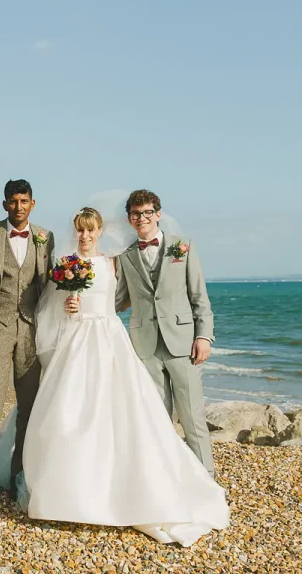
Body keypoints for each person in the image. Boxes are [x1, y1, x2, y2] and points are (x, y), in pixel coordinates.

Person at [0, 208, 229, 546]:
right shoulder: (65, 263)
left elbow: (123, 299)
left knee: (124, 410)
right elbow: (52, 308)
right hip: (78, 340)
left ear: (101, 231)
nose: (86, 236)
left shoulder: (113, 262)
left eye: (91, 231)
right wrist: (69, 307)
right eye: (81, 231)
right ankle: (70, 494)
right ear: (76, 231)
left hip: (110, 338)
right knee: (70, 413)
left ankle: (137, 484)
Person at [114, 189, 216, 476]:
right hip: (145, 346)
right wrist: (87, 308)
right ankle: (169, 481)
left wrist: (204, 336)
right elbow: (120, 299)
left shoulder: (182, 247)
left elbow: (199, 297)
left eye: (147, 212)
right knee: (157, 419)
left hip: (184, 344)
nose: (142, 218)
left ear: (158, 214)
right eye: (136, 213)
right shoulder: (126, 256)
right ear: (129, 218)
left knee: (193, 418)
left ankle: (206, 481)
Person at [0, 179, 54, 512]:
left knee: (29, 408)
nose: (19, 207)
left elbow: (49, 286)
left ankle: (19, 475)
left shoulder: (45, 237)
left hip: (32, 330)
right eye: (13, 201)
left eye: (24, 201)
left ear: (33, 204)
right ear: (5, 204)